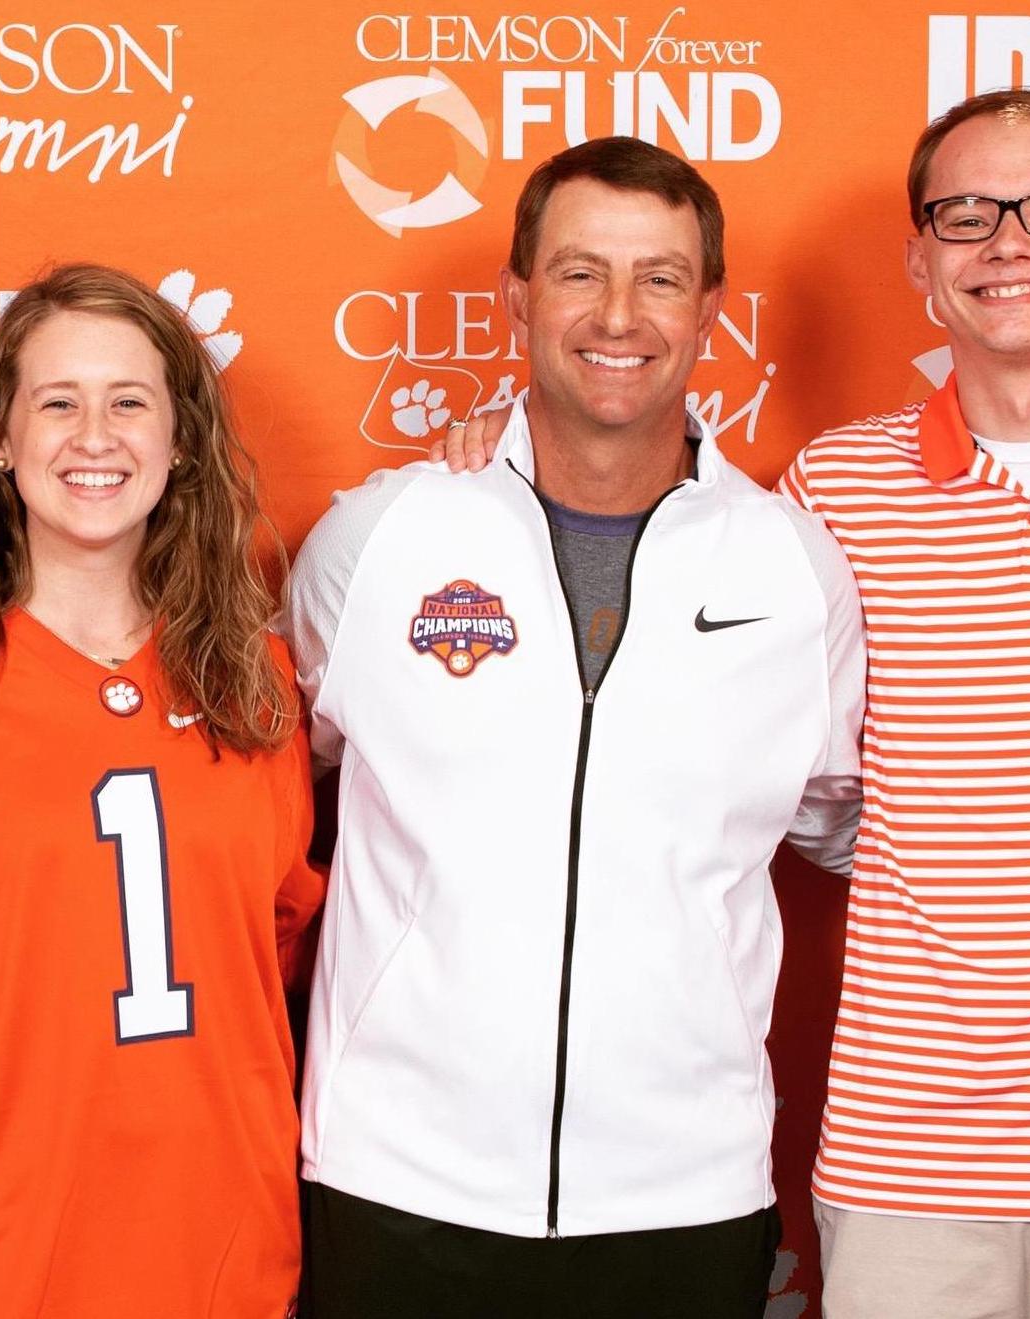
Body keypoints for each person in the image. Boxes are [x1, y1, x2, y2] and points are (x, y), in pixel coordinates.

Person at [442, 94, 1030, 1318]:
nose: (1006, 242)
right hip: (907, 1158)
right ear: (918, 261)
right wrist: (504, 454)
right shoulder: (832, 490)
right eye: (965, 214)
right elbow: (795, 779)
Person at [284, 136, 865, 1319]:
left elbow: (842, 826)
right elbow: (274, 780)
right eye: (578, 272)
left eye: (659, 277)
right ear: (516, 297)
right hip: (394, 1180)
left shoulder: (794, 568)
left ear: (709, 309)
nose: (617, 315)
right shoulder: (379, 539)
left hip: (684, 1195)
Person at [0, 263, 324, 1319]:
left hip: (224, 1254)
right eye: (58, 402)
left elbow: (274, 948)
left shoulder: (257, 685)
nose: (94, 436)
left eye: (128, 401)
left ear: (179, 439)